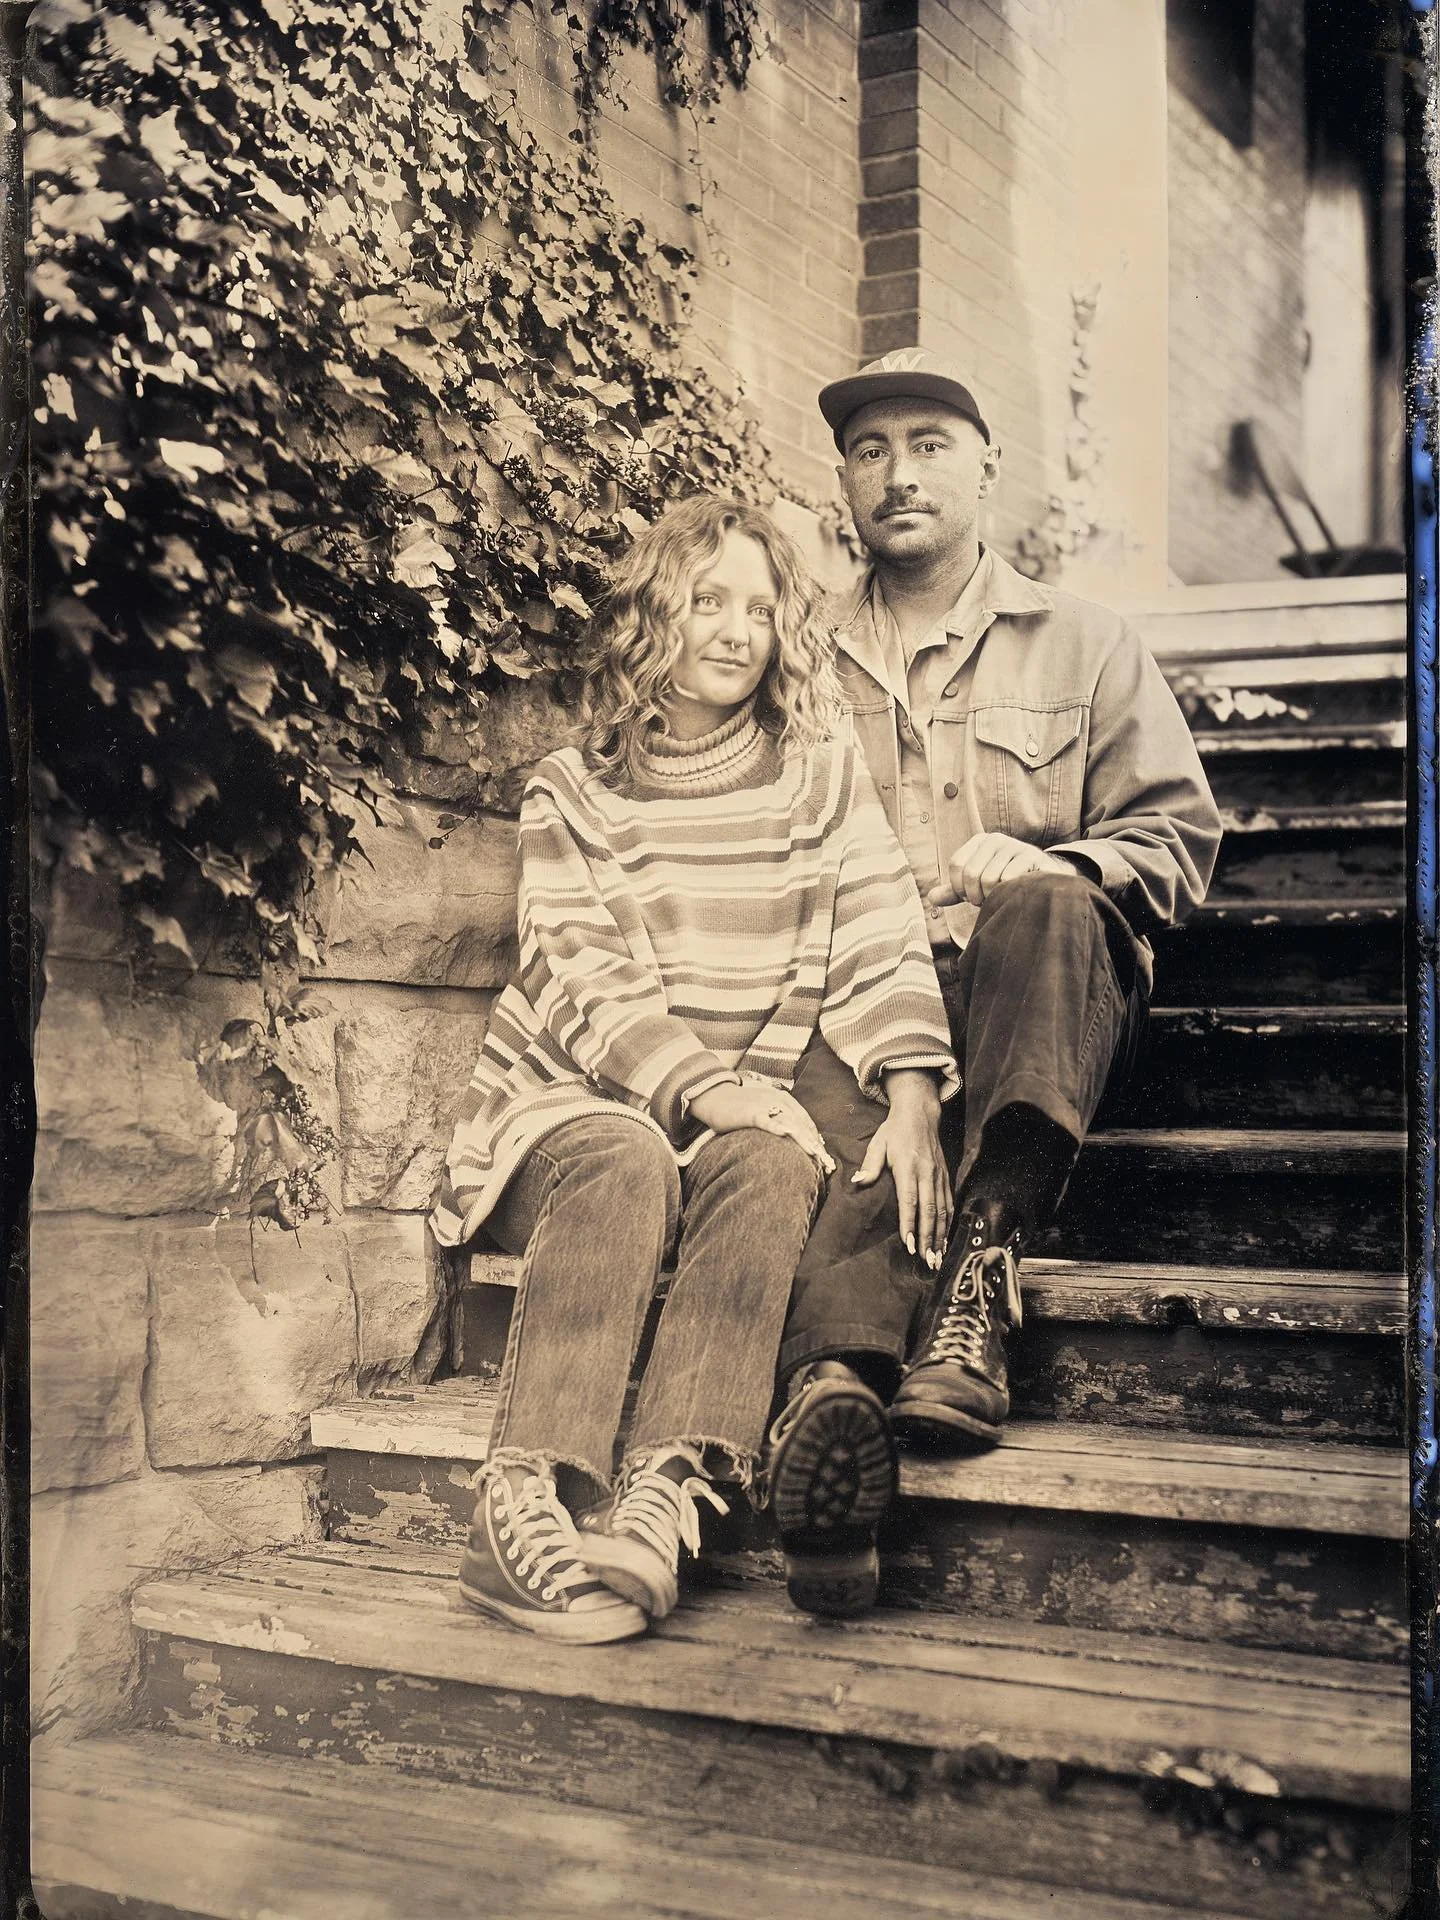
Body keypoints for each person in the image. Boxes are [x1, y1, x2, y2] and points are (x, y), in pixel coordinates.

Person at [430, 493, 958, 1643]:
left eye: (760, 609)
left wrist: (911, 1091)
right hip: (569, 1111)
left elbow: (879, 928)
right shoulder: (572, 788)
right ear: (652, 615)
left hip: (726, 1116)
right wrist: (705, 1087)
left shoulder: (816, 773)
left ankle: (664, 1488)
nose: (735, 629)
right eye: (706, 600)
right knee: (630, 1155)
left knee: (775, 1162)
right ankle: (516, 1497)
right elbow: (579, 971)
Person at [768, 350, 1222, 1548]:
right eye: (870, 451)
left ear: (986, 466)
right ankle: (836, 1399)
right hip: (881, 997)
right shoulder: (798, 660)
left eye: (927, 444)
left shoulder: (1085, 642)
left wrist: (1061, 862)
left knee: (1045, 908)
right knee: (858, 1080)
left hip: (1047, 994)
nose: (897, 473)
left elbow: (1178, 836)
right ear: (845, 481)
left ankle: (982, 1280)